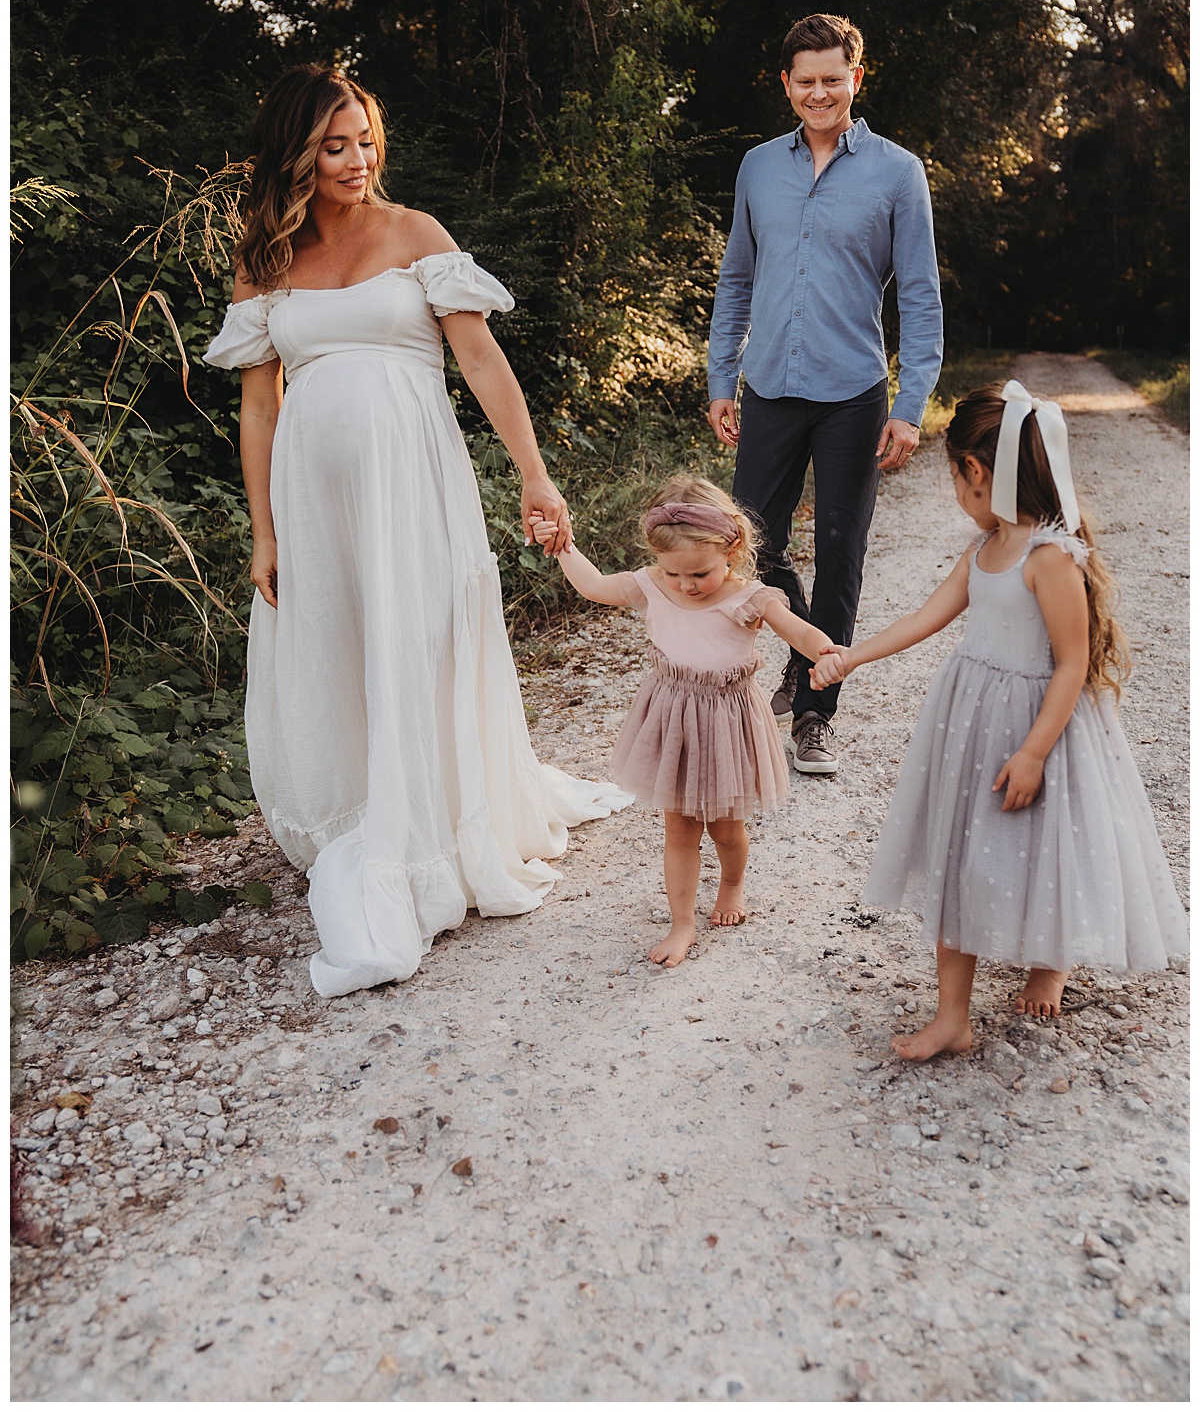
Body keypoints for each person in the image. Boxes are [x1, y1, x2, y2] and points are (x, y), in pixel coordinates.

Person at [202, 64, 630, 997]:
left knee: (423, 634)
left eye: (364, 140)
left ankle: (438, 817)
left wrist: (534, 473)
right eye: (333, 146)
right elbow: (259, 409)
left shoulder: (417, 235)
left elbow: (481, 362)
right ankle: (367, 804)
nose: (357, 161)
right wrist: (262, 527)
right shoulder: (265, 259)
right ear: (296, 154)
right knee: (341, 645)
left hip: (416, 479)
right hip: (315, 495)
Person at [811, 380, 1189, 1059]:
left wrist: (1036, 752)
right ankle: (952, 1016)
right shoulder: (983, 551)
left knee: (1045, 852)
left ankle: (1051, 959)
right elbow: (925, 618)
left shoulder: (1051, 559)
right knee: (959, 857)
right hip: (971, 726)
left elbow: (1073, 665)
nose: (959, 494)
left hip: (1039, 728)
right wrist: (851, 658)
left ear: (977, 472)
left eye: (956, 477)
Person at [708, 12, 943, 777]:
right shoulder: (756, 169)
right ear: (786, 84)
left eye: (832, 80)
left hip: (853, 392)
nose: (819, 93)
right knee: (750, 545)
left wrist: (911, 406)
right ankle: (808, 647)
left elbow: (921, 293)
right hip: (769, 384)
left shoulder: (897, 172)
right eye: (804, 81)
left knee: (843, 549)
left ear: (856, 79)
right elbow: (737, 278)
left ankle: (816, 712)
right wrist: (721, 376)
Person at [533, 475, 838, 968]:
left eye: (699, 574)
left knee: (725, 827)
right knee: (678, 828)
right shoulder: (650, 585)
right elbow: (591, 586)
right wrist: (562, 543)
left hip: (726, 723)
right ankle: (682, 923)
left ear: (732, 548)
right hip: (672, 718)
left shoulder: (752, 597)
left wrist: (824, 653)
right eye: (674, 574)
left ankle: (733, 885)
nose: (685, 586)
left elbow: (800, 631)